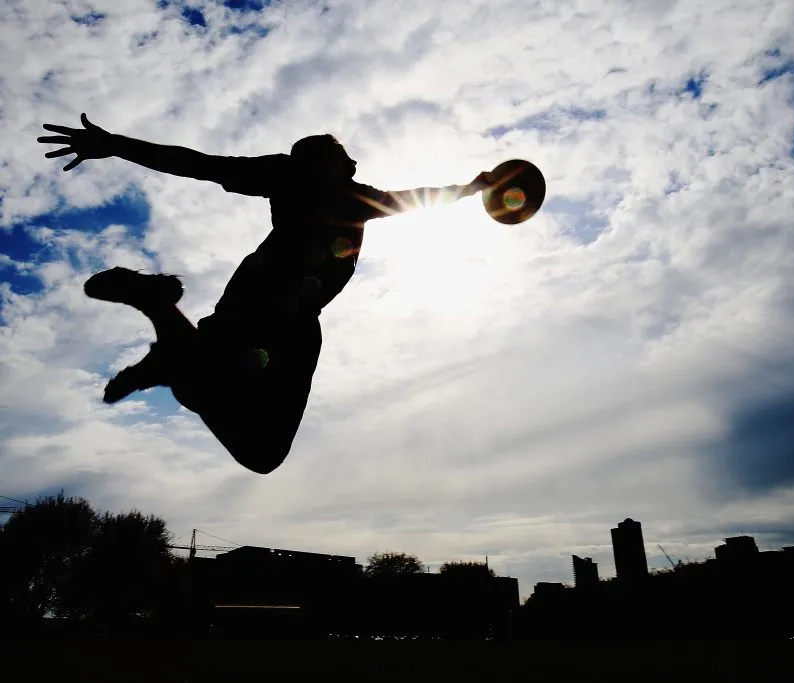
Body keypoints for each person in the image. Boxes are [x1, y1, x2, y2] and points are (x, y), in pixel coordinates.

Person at [37, 113, 492, 474]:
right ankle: (168, 328)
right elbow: (196, 163)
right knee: (260, 450)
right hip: (281, 317)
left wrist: (117, 145)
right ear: (339, 167)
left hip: (251, 302)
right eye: (307, 165)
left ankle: (167, 325)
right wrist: (473, 188)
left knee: (205, 393)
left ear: (341, 167)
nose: (313, 174)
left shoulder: (302, 179)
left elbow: (197, 164)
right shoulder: (339, 191)